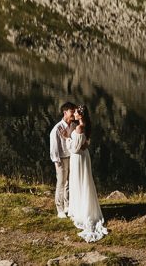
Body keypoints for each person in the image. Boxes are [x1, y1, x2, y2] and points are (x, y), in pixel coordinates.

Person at [65, 104, 107, 242]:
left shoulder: (79, 127)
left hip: (78, 158)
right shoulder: (85, 125)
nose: (74, 114)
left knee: (79, 182)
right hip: (84, 156)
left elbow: (74, 149)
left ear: (80, 115)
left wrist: (66, 139)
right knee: (84, 181)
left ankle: (82, 212)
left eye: (76, 112)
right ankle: (83, 208)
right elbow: (84, 143)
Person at [49, 102, 77, 218]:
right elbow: (54, 146)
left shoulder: (73, 126)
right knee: (60, 183)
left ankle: (68, 205)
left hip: (71, 157)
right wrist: (56, 161)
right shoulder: (57, 128)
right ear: (65, 112)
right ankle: (59, 208)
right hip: (61, 158)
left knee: (69, 182)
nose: (74, 114)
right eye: (72, 111)